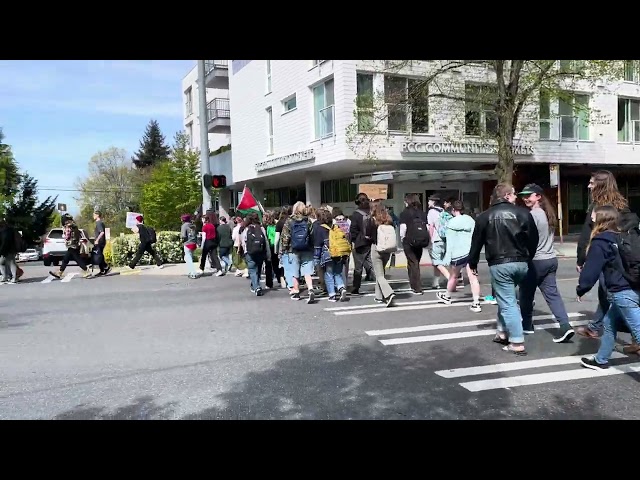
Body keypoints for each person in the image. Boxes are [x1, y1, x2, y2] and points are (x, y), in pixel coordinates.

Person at [468, 183, 538, 355]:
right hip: (521, 261)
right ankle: (502, 332)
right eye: (514, 194)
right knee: (505, 297)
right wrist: (528, 256)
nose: (516, 197)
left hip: (499, 263)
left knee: (507, 302)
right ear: (506, 195)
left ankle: (517, 341)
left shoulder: (484, 217)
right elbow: (533, 239)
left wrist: (473, 263)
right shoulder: (523, 213)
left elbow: (476, 243)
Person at [575, 170, 640, 354]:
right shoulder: (621, 203)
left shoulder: (599, 207)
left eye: (592, 183)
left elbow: (588, 235)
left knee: (613, 295)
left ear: (600, 185)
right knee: (610, 294)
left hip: (608, 255)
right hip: (623, 254)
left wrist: (582, 259)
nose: (589, 186)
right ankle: (596, 329)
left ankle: (632, 336)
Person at [516, 184, 574, 343]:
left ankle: (527, 325)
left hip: (536, 260)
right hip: (550, 259)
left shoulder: (532, 215)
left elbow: (524, 239)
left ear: (539, 196)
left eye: (529, 195)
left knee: (525, 295)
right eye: (523, 195)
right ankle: (565, 325)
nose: (525, 198)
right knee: (553, 295)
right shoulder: (549, 214)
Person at [437, 200, 482, 313]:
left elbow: (450, 243)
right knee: (473, 278)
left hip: (457, 254)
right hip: (470, 252)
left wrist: (447, 258)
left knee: (453, 276)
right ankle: (476, 302)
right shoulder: (470, 220)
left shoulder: (451, 223)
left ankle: (447, 296)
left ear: (453, 210)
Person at [279, 201, 316, 303]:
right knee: (307, 271)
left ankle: (296, 291)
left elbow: (285, 237)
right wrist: (312, 247)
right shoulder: (308, 221)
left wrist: (284, 249)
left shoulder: (289, 221)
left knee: (294, 271)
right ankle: (310, 288)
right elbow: (312, 235)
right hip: (307, 249)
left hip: (293, 249)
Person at [399, 194, 430, 295]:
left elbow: (403, 228)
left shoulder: (404, 213)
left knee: (413, 262)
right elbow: (427, 227)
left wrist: (402, 238)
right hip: (420, 240)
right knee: (415, 261)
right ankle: (413, 284)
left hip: (409, 241)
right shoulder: (422, 213)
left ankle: (417, 287)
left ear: (408, 201)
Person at [368, 203, 397, 307]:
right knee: (381, 272)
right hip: (387, 249)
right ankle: (379, 296)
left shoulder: (372, 221)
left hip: (376, 249)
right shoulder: (389, 221)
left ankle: (389, 293)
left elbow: (368, 235)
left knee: (379, 274)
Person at [49, 214, 93, 279]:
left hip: (72, 245)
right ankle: (60, 272)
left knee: (76, 259)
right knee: (66, 259)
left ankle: (86, 270)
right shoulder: (74, 226)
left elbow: (67, 237)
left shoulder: (69, 227)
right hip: (74, 244)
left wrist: (64, 234)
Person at [349, 193, 375, 295]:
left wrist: (354, 240)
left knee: (358, 267)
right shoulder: (370, 212)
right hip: (370, 241)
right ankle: (379, 281)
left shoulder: (356, 214)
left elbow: (353, 230)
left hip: (359, 243)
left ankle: (356, 287)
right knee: (369, 263)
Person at [241, 212, 271, 296]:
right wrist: (268, 254)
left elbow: (243, 241)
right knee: (258, 269)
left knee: (252, 270)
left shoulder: (246, 229)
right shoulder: (261, 228)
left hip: (250, 252)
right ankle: (255, 285)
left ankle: (256, 286)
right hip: (260, 252)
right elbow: (266, 241)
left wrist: (245, 251)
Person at [180, 214, 199, 279]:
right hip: (193, 243)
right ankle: (190, 272)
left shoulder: (184, 226)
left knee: (188, 259)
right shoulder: (193, 225)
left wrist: (181, 241)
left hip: (187, 243)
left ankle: (193, 273)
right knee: (188, 258)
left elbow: (183, 236)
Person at [92, 210, 111, 276]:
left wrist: (97, 239)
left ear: (97, 215)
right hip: (101, 241)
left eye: (94, 215)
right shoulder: (100, 222)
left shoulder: (99, 223)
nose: (93, 216)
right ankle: (103, 269)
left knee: (98, 255)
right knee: (99, 255)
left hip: (100, 242)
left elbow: (102, 232)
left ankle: (105, 267)